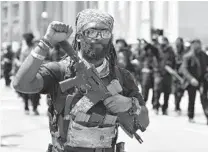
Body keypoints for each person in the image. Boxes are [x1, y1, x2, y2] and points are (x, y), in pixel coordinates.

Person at [13, 9, 149, 152]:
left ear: (111, 37)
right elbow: (21, 84)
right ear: (78, 37)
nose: (98, 38)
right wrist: (46, 42)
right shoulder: (59, 71)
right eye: (91, 32)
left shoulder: (122, 76)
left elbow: (144, 122)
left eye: (105, 33)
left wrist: (130, 104)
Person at [180, 39, 208, 124]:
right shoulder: (187, 56)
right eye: (196, 45)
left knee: (204, 98)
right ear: (193, 46)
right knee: (191, 99)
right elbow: (184, 69)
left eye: (199, 45)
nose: (198, 47)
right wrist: (191, 79)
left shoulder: (204, 55)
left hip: (202, 80)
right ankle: (190, 116)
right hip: (191, 82)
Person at [17, 33, 41, 115]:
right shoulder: (26, 50)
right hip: (28, 73)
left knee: (35, 91)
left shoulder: (34, 49)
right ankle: (28, 107)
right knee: (27, 91)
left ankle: (33, 107)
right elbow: (21, 62)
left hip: (34, 73)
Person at [153, 36, 176, 115]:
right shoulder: (157, 50)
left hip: (168, 75)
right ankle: (156, 107)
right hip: (158, 73)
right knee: (157, 91)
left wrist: (170, 67)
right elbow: (154, 61)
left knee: (167, 92)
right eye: (162, 42)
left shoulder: (171, 51)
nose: (163, 43)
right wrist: (158, 69)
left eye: (165, 41)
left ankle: (165, 108)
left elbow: (173, 61)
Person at [173, 37, 186, 114]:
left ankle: (177, 104)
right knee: (175, 91)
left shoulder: (185, 52)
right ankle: (176, 106)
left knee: (181, 91)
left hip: (183, 74)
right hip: (175, 73)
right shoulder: (174, 52)